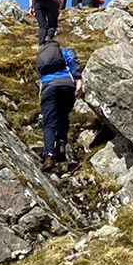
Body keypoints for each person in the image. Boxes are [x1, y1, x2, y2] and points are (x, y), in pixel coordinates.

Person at [35, 40, 82, 169]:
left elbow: (39, 74)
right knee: (63, 116)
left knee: (49, 122)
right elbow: (73, 61)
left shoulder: (40, 57)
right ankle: (61, 145)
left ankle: (49, 156)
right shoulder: (64, 51)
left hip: (49, 87)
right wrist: (78, 80)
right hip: (67, 85)